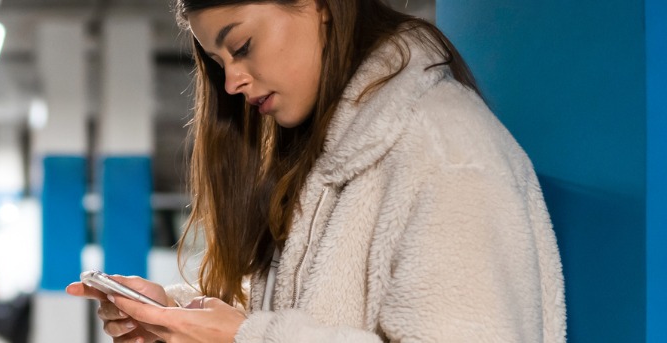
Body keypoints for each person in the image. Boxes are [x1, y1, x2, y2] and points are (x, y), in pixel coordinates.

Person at [65, 0, 567, 341]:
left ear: (320, 6)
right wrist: (185, 319)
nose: (233, 81)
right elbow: (315, 314)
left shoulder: (449, 151)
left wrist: (244, 338)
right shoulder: (327, 157)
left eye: (240, 46)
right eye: (219, 64)